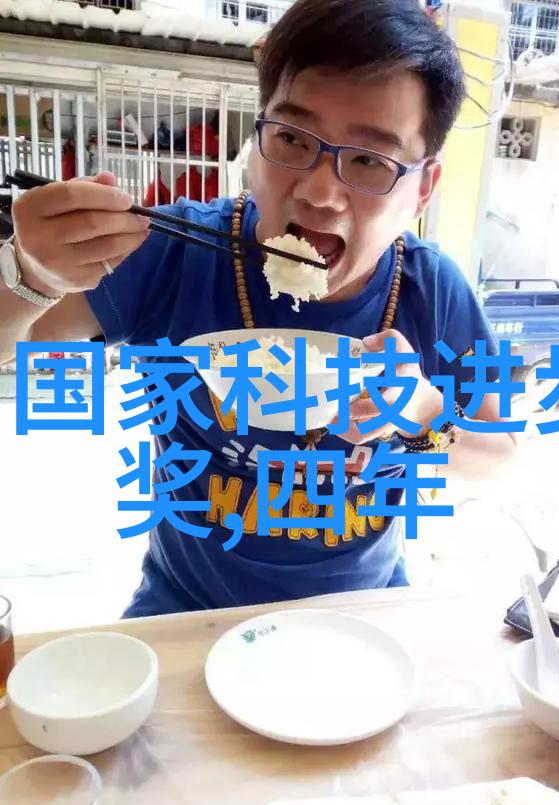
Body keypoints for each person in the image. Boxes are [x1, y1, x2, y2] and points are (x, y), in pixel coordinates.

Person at [0, 0, 515, 618]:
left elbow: (499, 458)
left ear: (423, 187)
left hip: (365, 616)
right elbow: (15, 344)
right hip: (188, 612)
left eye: (370, 161)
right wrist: (29, 274)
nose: (319, 191)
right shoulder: (170, 251)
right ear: (255, 139)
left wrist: (423, 415)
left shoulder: (432, 290)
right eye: (292, 139)